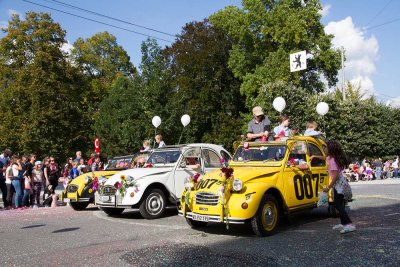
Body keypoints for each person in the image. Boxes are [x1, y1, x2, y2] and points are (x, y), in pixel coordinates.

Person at [315, 140, 356, 234]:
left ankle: (349, 224)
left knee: (337, 204)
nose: (324, 149)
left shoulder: (333, 161)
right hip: (339, 184)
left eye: (326, 147)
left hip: (339, 184)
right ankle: (343, 223)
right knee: (339, 204)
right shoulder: (331, 158)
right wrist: (314, 156)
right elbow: (324, 158)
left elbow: (335, 176)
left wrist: (328, 187)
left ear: (331, 149)